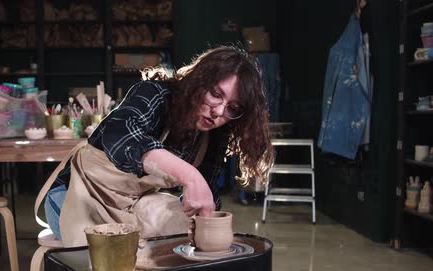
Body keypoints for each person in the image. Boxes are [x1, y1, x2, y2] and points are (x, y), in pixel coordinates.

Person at [39, 45, 274, 247]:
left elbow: (206, 196)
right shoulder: (155, 94)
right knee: (110, 258)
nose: (219, 111)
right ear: (199, 80)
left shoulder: (212, 135)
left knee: (182, 234)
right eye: (215, 94)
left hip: (132, 204)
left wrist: (210, 224)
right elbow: (121, 136)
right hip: (75, 194)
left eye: (232, 108)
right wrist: (190, 176)